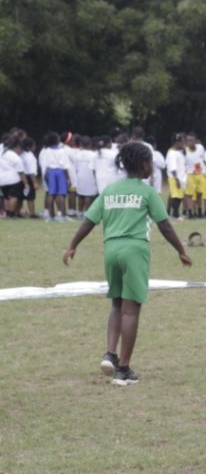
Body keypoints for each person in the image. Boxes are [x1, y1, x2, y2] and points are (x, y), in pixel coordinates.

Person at [62, 141, 192, 385]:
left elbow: (89, 220)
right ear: (144, 165)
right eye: (150, 162)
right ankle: (123, 370)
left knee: (117, 304)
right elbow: (164, 225)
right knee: (131, 310)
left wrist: (72, 245)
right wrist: (181, 251)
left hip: (110, 250)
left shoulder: (110, 190)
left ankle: (110, 354)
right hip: (134, 250)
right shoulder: (147, 191)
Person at [39, 132, 72, 221]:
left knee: (51, 193)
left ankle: (51, 216)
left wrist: (45, 176)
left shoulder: (46, 151)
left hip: (50, 172)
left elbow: (44, 165)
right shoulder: (62, 151)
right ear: (57, 141)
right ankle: (63, 215)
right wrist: (68, 178)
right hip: (60, 172)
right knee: (61, 194)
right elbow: (65, 166)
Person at [183, 132, 206, 218]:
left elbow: (204, 159)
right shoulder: (185, 151)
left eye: (191, 140)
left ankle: (199, 211)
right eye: (188, 141)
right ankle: (190, 212)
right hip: (190, 174)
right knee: (189, 195)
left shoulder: (200, 148)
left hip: (200, 173)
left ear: (195, 141)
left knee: (200, 193)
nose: (189, 142)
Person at [0, 137, 28, 219]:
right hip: (13, 180)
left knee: (6, 197)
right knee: (13, 197)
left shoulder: (2, 153)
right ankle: (11, 214)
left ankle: (7, 213)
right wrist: (26, 183)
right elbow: (21, 172)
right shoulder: (15, 157)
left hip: (2, 180)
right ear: (17, 147)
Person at [71, 135, 98, 216]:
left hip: (80, 177)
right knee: (88, 196)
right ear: (90, 144)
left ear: (81, 144)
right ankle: (87, 212)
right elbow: (95, 168)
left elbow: (75, 168)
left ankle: (80, 212)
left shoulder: (77, 155)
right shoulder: (93, 155)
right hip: (90, 177)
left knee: (81, 196)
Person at [165, 133, 187, 220]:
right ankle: (175, 215)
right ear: (177, 142)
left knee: (179, 196)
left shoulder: (179, 152)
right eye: (182, 142)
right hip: (175, 177)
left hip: (181, 177)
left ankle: (174, 214)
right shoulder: (172, 153)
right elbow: (172, 168)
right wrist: (176, 179)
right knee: (176, 196)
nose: (184, 144)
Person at [20, 137, 39, 218]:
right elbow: (31, 171)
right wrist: (35, 182)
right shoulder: (30, 156)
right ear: (29, 147)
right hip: (29, 177)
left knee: (20, 196)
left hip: (20, 177)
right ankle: (32, 213)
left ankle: (19, 212)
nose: (35, 147)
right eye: (33, 145)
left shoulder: (21, 154)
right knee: (30, 197)